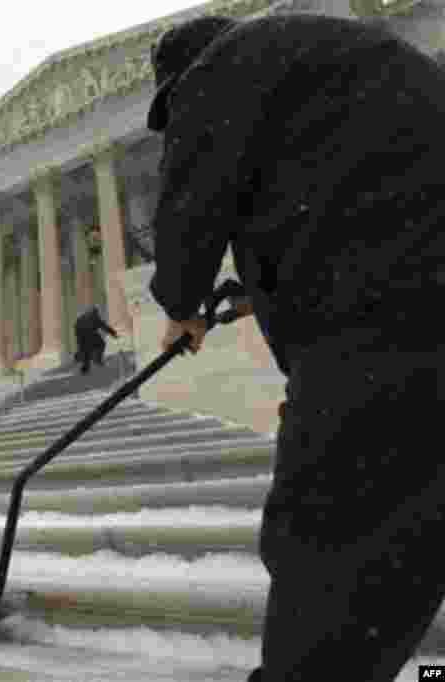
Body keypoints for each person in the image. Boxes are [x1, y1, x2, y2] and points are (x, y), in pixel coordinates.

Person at [146, 13, 445, 681]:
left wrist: (182, 303)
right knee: (412, 531)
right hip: (416, 294)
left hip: (380, 322)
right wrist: (267, 286)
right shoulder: (345, 56)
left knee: (329, 532)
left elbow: (191, 202)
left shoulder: (217, 72)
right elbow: (350, 188)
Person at [73, 305, 119, 375]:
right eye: (97, 312)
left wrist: (78, 339)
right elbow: (104, 326)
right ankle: (97, 359)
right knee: (102, 344)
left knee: (85, 352)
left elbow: (76, 327)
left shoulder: (81, 318)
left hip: (81, 338)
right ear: (95, 312)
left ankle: (84, 368)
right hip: (91, 337)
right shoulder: (94, 317)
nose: (98, 314)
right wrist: (114, 334)